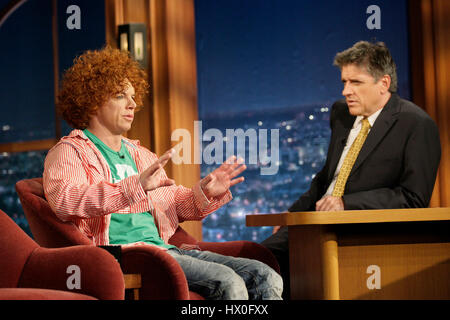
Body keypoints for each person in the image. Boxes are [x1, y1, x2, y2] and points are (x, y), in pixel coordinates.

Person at [43, 47, 282, 300]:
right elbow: (67, 201)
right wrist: (133, 186)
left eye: (134, 96)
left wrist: (204, 192)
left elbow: (174, 205)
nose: (133, 104)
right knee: (228, 283)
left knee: (265, 276)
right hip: (128, 256)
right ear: (91, 100)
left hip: (165, 250)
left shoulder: (141, 155)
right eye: (121, 96)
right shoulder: (70, 152)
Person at [261, 40, 441, 299]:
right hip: (313, 224)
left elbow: (413, 198)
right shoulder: (341, 115)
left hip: (362, 231)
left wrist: (346, 204)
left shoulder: (416, 125)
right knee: (254, 262)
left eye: (355, 82)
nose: (346, 91)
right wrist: (292, 214)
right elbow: (326, 178)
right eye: (344, 82)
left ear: (384, 84)